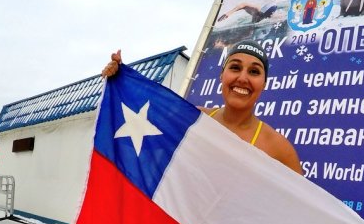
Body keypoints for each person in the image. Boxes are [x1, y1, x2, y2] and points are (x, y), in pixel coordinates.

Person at [101, 41, 302, 175]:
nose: (242, 78)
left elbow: (305, 211)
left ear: (264, 83)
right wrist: (119, 81)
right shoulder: (192, 118)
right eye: (235, 67)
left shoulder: (278, 148)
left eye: (254, 71)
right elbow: (137, 137)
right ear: (222, 76)